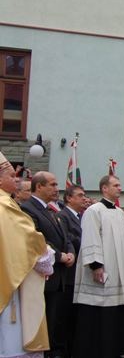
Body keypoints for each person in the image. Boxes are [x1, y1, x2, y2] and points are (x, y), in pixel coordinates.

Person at [73, 175, 124, 358]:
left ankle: (114, 350)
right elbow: (91, 238)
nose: (120, 188)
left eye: (120, 184)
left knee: (116, 313)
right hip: (102, 269)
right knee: (99, 314)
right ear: (104, 189)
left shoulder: (118, 212)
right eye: (116, 185)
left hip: (118, 271)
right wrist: (96, 265)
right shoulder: (94, 210)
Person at [0, 152, 53, 358]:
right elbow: (27, 239)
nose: (17, 180)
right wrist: (46, 253)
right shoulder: (4, 205)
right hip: (9, 280)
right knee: (10, 338)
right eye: (12, 176)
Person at [20, 172, 75, 358]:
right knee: (43, 320)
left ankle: (53, 351)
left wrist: (71, 253)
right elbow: (37, 239)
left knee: (55, 320)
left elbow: (65, 236)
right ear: (39, 187)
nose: (56, 188)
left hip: (60, 276)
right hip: (43, 275)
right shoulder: (27, 209)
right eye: (52, 184)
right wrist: (60, 256)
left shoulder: (52, 210)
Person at [57, 184, 88, 357]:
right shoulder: (63, 216)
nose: (84, 198)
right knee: (65, 315)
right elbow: (71, 239)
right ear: (69, 198)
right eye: (80, 195)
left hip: (80, 274)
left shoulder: (82, 216)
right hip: (69, 274)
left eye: (84, 195)